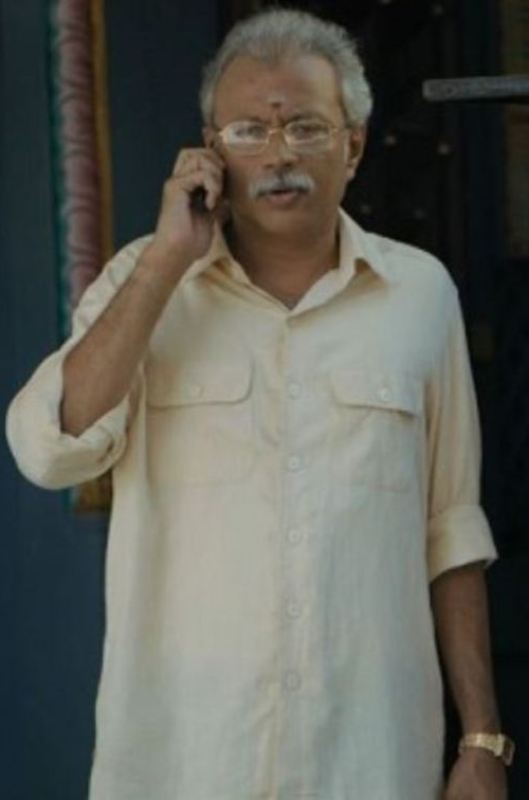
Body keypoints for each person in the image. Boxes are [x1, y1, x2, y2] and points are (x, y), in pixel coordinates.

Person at [6, 8, 512, 800]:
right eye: (248, 131)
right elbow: (49, 448)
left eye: (306, 127)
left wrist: (481, 737)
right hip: (185, 759)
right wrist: (167, 259)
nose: (279, 156)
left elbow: (449, 527)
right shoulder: (145, 280)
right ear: (209, 149)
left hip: (367, 757)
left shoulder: (419, 294)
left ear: (353, 145)